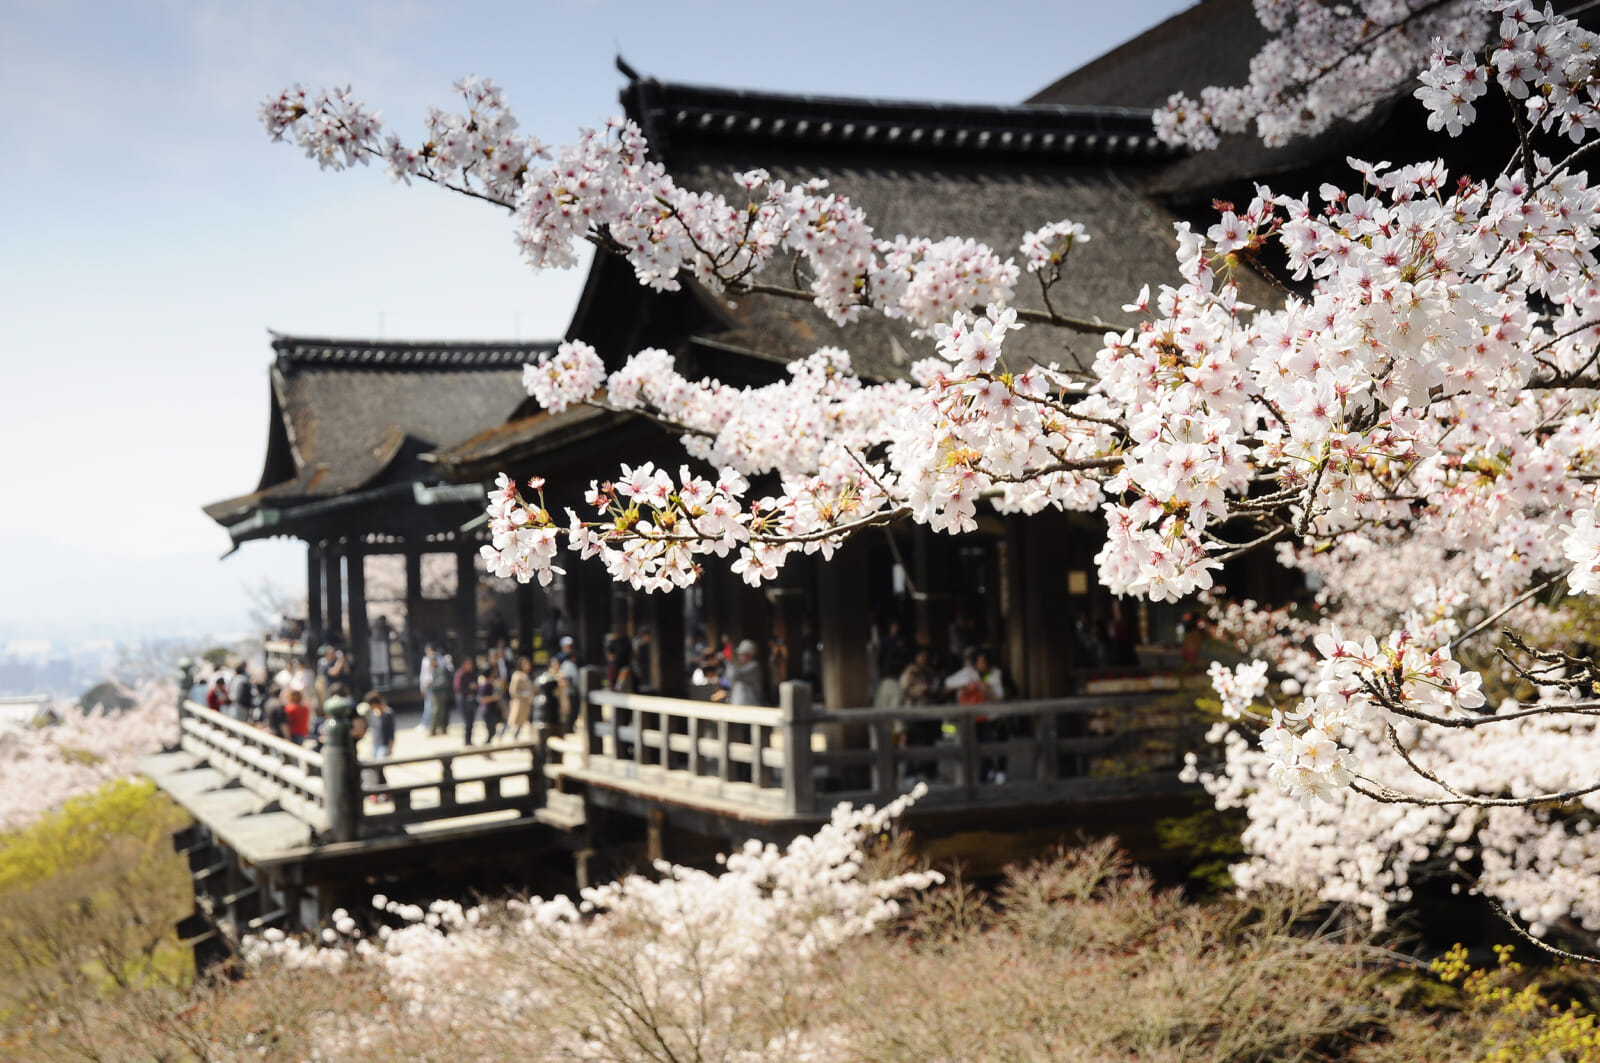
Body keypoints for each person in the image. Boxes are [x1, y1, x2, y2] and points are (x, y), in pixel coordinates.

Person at [474, 659, 504, 748]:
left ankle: (487, 748)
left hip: (492, 710)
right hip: (487, 710)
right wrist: (494, 697)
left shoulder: (491, 683)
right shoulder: (485, 685)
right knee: (491, 731)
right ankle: (485, 748)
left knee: (493, 731)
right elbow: (482, 699)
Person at [507, 656, 536, 741]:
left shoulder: (526, 675)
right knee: (516, 724)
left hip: (528, 703)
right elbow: (513, 690)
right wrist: (524, 694)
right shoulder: (517, 675)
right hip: (520, 704)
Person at [728, 639, 763, 706]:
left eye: (741, 654)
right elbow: (729, 678)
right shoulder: (743, 667)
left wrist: (729, 660)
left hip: (750, 705)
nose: (739, 657)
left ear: (749, 655)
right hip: (740, 704)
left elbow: (734, 675)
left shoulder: (754, 666)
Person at [430, 651, 456, 736]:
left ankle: (442, 728)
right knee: (435, 711)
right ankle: (434, 729)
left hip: (441, 692)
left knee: (441, 711)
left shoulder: (440, 669)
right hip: (434, 693)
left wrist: (434, 684)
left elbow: (442, 680)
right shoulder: (430, 670)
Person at [453, 655, 478, 743]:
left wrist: (474, 687)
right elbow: (458, 687)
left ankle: (469, 740)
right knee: (467, 721)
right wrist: (469, 688)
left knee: (471, 721)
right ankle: (467, 740)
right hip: (463, 700)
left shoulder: (471, 673)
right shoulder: (461, 673)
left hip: (471, 699)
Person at [417, 645, 440, 734]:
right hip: (428, 685)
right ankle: (425, 723)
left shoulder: (438, 659)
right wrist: (422, 687)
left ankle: (435, 724)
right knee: (428, 705)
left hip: (436, 685)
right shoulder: (425, 660)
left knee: (436, 706)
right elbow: (423, 674)